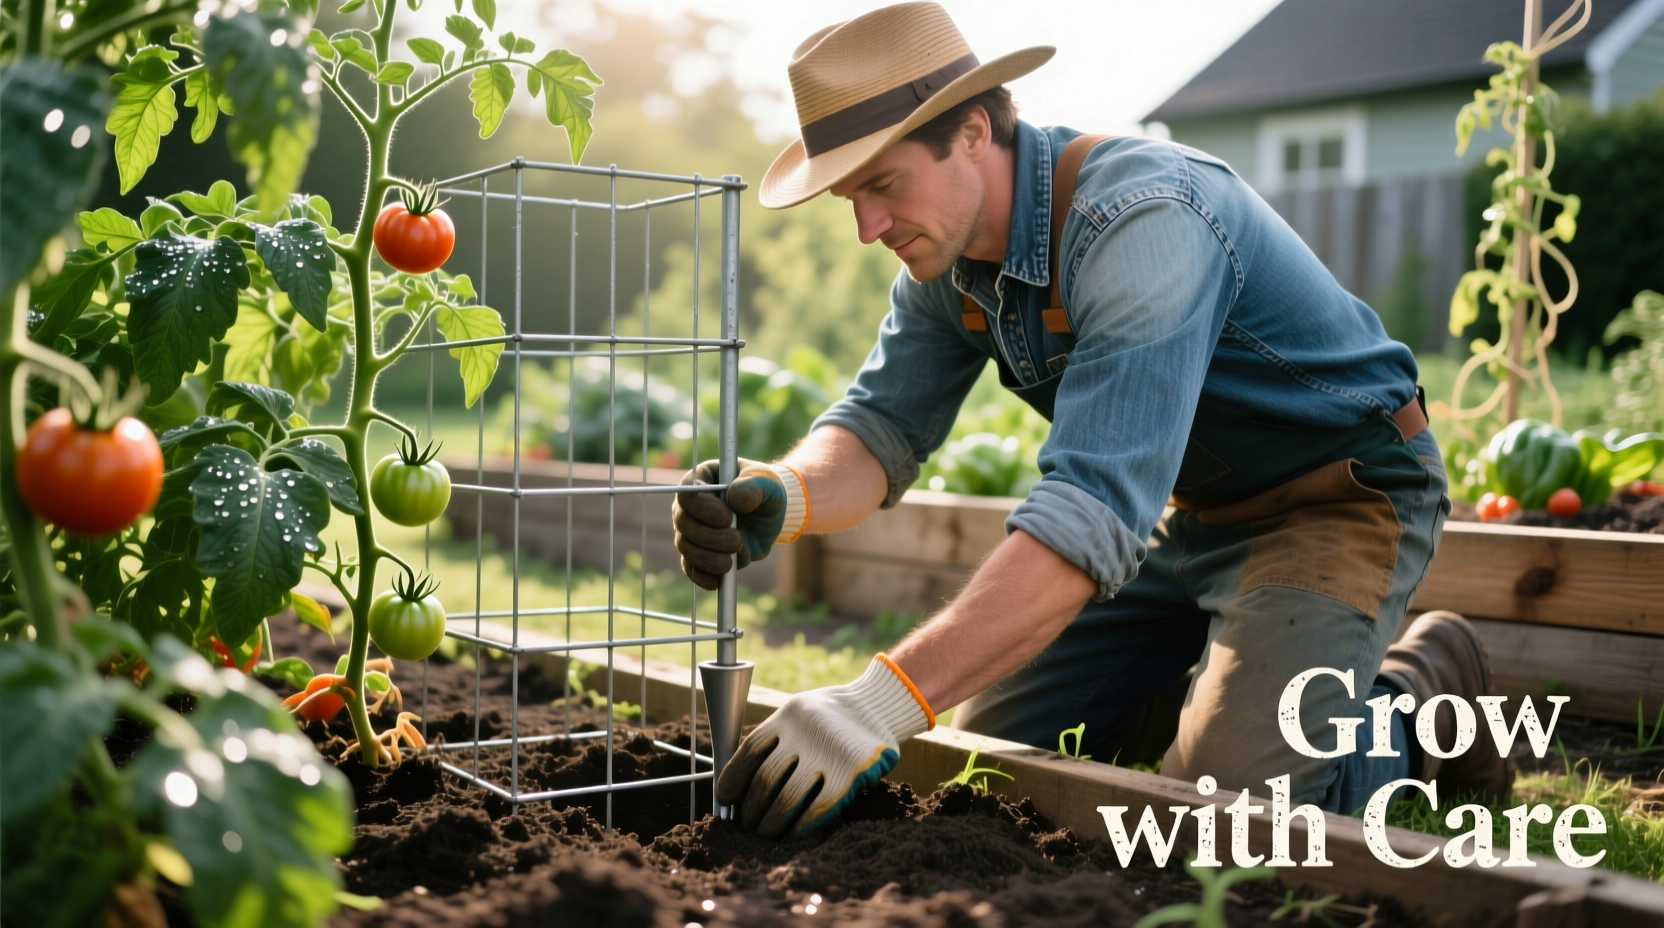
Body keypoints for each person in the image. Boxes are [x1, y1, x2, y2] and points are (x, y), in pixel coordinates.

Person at [671, 1, 1511, 840]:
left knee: (1236, 821)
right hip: (1193, 516)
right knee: (993, 762)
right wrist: (781, 491)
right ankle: (1230, 690)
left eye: (883, 185)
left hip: (1336, 496)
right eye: (851, 198)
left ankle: (1420, 692)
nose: (867, 228)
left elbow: (1089, 517)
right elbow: (878, 430)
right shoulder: (944, 261)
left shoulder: (1145, 222)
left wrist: (875, 703)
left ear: (971, 130)